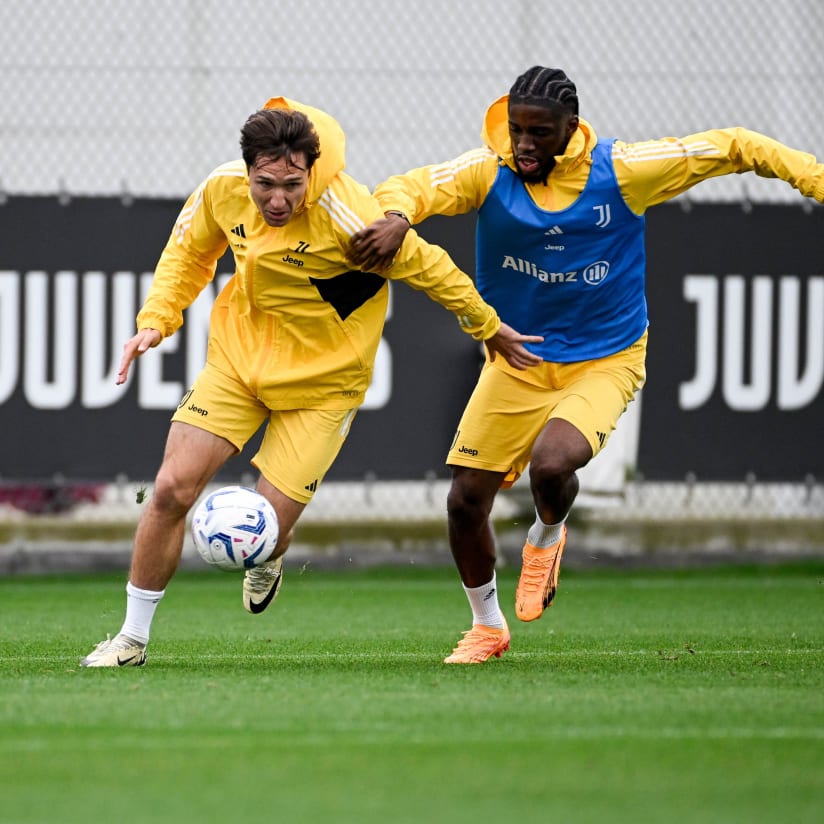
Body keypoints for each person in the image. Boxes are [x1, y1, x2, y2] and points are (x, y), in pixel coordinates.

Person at [349, 65, 824, 664]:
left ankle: (546, 537)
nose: (523, 145)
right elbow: (411, 186)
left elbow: (733, 145)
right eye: (516, 130)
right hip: (517, 359)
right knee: (465, 500)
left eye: (539, 133)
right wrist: (396, 217)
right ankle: (487, 627)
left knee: (551, 465)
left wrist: (815, 179)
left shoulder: (624, 172)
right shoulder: (488, 170)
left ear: (571, 129)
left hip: (606, 357)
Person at [80, 97, 542, 668]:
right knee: (172, 487)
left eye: (292, 185)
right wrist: (155, 322)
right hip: (237, 364)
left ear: (311, 172)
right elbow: (187, 255)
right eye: (265, 183)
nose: (278, 199)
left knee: (265, 534)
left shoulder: (351, 215)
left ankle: (269, 556)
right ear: (247, 169)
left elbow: (434, 270)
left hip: (326, 386)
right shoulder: (222, 190)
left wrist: (487, 327)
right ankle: (131, 639)